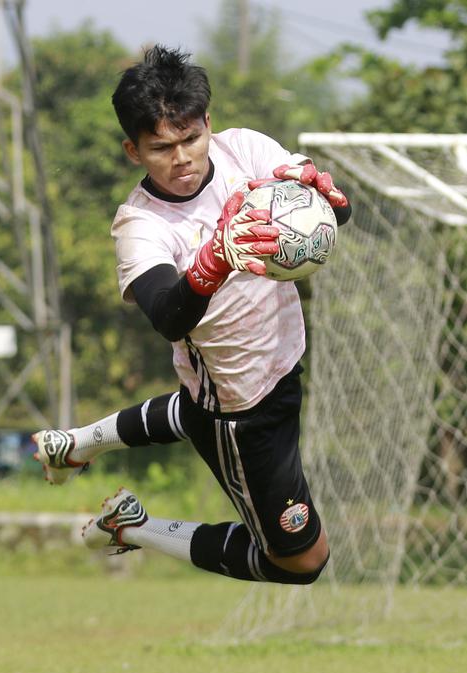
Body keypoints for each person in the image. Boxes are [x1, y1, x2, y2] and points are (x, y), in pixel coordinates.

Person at [31, 45, 352, 586]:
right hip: (241, 411)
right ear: (133, 150)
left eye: (191, 138)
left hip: (277, 363)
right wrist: (214, 260)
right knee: (301, 560)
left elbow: (327, 218)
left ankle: (77, 444)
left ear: (208, 121)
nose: (181, 158)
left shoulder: (246, 151)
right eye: (161, 148)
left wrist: (332, 202)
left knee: (190, 409)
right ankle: (131, 527)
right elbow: (168, 317)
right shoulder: (141, 224)